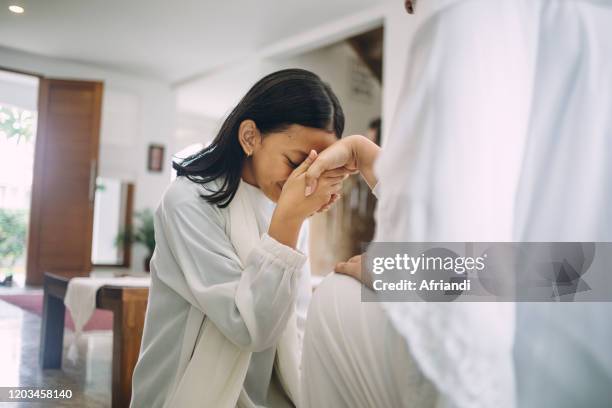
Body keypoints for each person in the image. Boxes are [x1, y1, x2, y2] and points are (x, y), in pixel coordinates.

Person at [299, 0, 530, 406]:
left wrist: (406, 271)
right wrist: (370, 160)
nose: (407, 5)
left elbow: (572, 274)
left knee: (334, 298)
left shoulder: (469, 23)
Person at [130, 68, 351, 408]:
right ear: (250, 136)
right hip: (189, 389)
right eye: (295, 163)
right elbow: (248, 327)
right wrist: (290, 218)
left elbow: (297, 316)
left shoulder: (287, 205)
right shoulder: (188, 201)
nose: (305, 182)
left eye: (315, 168)